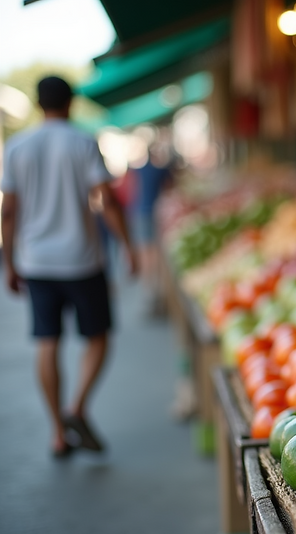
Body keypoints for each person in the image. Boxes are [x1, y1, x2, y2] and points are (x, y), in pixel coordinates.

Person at [0, 76, 138, 458]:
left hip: (36, 262)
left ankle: (57, 433)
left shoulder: (17, 146)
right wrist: (128, 246)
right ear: (71, 103)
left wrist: (9, 262)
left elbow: (8, 210)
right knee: (97, 337)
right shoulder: (82, 142)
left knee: (47, 341)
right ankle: (76, 405)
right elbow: (107, 201)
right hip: (82, 260)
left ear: (37, 103)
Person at [131, 141, 173, 315]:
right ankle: (155, 292)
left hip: (139, 212)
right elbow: (170, 187)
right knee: (154, 253)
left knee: (145, 251)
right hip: (154, 213)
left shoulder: (137, 170)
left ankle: (149, 291)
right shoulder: (159, 170)